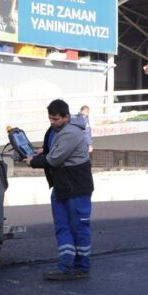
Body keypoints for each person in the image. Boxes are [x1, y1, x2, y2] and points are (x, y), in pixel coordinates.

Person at [24, 99, 94, 280]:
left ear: (66, 117)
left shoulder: (71, 132)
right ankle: (65, 267)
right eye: (50, 119)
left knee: (78, 228)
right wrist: (42, 150)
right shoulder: (59, 130)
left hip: (76, 188)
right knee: (62, 228)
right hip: (63, 187)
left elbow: (55, 159)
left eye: (56, 119)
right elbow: (53, 149)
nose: (52, 122)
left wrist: (33, 161)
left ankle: (81, 267)